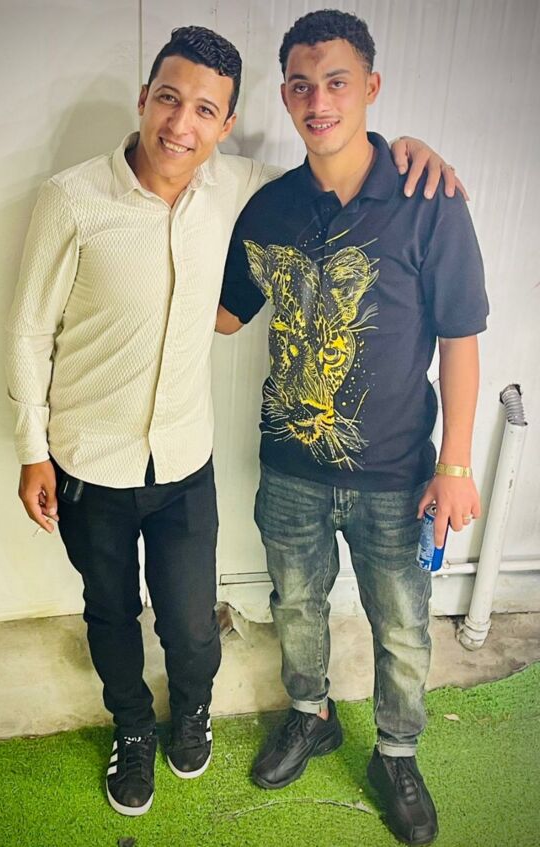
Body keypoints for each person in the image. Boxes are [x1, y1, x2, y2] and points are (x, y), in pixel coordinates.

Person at [6, 24, 463, 819]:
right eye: (169, 99)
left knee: (201, 625)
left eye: (205, 110)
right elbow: (29, 332)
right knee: (115, 610)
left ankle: (202, 714)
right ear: (144, 99)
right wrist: (32, 449)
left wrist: (409, 151)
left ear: (227, 125)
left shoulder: (248, 185)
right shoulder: (75, 198)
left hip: (197, 463)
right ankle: (139, 726)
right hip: (90, 461)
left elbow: (338, 162)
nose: (182, 124)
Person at [217, 9, 488, 846]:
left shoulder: (427, 198)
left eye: (336, 82)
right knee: (296, 604)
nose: (318, 101)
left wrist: (455, 464)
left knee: (402, 625)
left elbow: (460, 337)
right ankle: (312, 714)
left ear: (371, 87)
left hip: (397, 473)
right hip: (291, 465)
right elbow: (225, 315)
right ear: (285, 96)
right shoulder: (267, 208)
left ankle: (397, 753)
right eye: (301, 85)